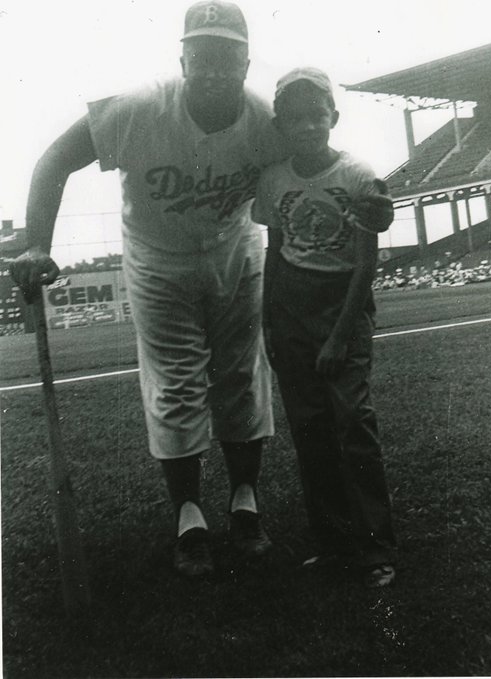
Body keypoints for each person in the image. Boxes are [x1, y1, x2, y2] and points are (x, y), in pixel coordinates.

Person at [9, 4, 395, 578]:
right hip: (157, 254)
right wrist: (38, 241)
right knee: (175, 383)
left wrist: (371, 203)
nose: (214, 70)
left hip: (232, 247)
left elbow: (319, 161)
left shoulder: (266, 116)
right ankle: (189, 517)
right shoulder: (139, 107)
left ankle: (245, 502)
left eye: (227, 58)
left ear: (245, 62)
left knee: (242, 374)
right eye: (202, 57)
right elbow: (53, 161)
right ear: (182, 60)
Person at [252, 68, 397, 588]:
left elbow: (365, 266)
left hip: (343, 302)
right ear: (281, 125)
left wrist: (339, 335)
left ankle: (375, 547)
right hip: (291, 304)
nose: (308, 127)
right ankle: (333, 542)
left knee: (352, 419)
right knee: (309, 425)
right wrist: (270, 321)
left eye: (317, 116)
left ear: (332, 117)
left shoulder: (357, 175)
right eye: (296, 119)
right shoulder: (273, 180)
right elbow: (274, 254)